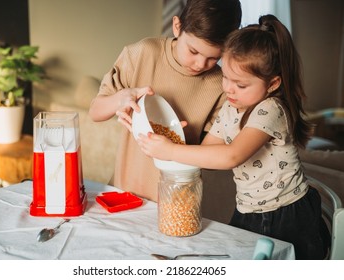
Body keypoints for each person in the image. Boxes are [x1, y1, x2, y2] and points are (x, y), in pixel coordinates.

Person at [137, 14, 330, 260]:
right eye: (226, 77)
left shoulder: (271, 109)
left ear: (272, 84)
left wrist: (170, 151)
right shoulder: (231, 108)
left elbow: (231, 156)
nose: (228, 88)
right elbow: (208, 152)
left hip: (286, 213)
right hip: (248, 210)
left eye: (240, 84)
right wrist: (173, 137)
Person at [89, 0, 242, 201]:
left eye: (214, 58)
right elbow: (95, 112)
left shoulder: (221, 86)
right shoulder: (142, 53)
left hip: (176, 200)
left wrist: (176, 145)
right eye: (193, 51)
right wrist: (120, 99)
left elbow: (211, 159)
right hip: (124, 190)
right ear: (177, 26)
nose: (200, 64)